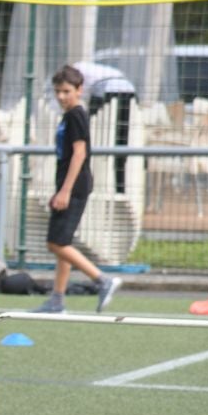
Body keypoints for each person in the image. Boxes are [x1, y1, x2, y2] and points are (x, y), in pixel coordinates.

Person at [34, 65, 122, 314]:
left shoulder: (76, 114)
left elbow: (79, 153)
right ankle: (57, 300)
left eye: (66, 91)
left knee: (55, 242)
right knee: (63, 242)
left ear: (79, 90)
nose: (61, 97)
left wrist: (65, 191)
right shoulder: (69, 114)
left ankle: (103, 280)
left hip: (74, 187)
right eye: (57, 92)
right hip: (70, 185)